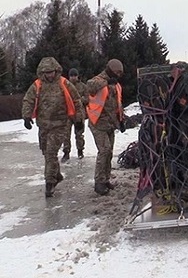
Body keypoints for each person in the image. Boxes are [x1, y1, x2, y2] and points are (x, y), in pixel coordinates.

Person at [22, 57, 86, 197]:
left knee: (51, 153)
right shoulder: (37, 85)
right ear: (42, 72)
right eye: (46, 72)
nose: (49, 75)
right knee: (46, 153)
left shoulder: (65, 84)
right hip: (43, 126)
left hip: (59, 125)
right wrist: (26, 116)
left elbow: (76, 101)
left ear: (56, 70)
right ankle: (56, 175)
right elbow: (28, 100)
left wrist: (79, 119)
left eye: (51, 72)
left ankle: (49, 183)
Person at [86, 58, 126, 196]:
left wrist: (121, 121)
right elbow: (89, 86)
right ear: (110, 70)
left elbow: (118, 105)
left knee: (109, 152)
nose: (119, 75)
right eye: (117, 72)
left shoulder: (117, 86)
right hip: (97, 123)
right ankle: (99, 182)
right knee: (104, 151)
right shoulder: (99, 80)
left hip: (110, 124)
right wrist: (106, 83)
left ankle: (105, 179)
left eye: (120, 73)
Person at [61, 68, 88, 162]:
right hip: (67, 113)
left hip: (79, 113)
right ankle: (66, 152)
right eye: (71, 76)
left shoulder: (83, 86)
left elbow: (88, 99)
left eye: (74, 76)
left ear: (77, 76)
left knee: (79, 134)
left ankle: (80, 151)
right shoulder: (65, 86)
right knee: (65, 134)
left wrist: (79, 100)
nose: (73, 78)